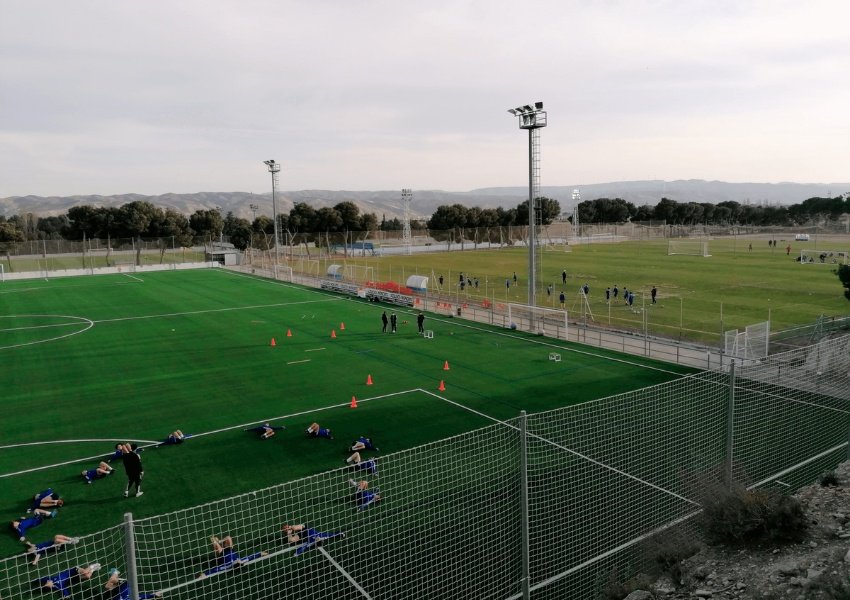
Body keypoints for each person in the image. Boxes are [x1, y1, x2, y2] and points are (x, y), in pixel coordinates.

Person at [197, 535, 267, 579]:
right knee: (228, 538)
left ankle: (216, 543)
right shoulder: (242, 561)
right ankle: (220, 541)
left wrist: (205, 574)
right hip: (230, 550)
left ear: (236, 564)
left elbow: (217, 569)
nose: (239, 561)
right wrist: (260, 553)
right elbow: (251, 557)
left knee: (214, 542)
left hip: (222, 554)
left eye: (239, 562)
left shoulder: (228, 566)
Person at [33, 563, 99, 597]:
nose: (48, 584)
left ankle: (92, 566)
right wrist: (66, 596)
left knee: (84, 572)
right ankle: (93, 569)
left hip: (74, 571)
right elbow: (64, 590)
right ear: (50, 587)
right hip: (75, 578)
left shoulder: (49, 579)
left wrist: (35, 580)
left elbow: (41, 579)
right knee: (87, 576)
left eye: (47, 584)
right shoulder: (58, 586)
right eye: (48, 586)